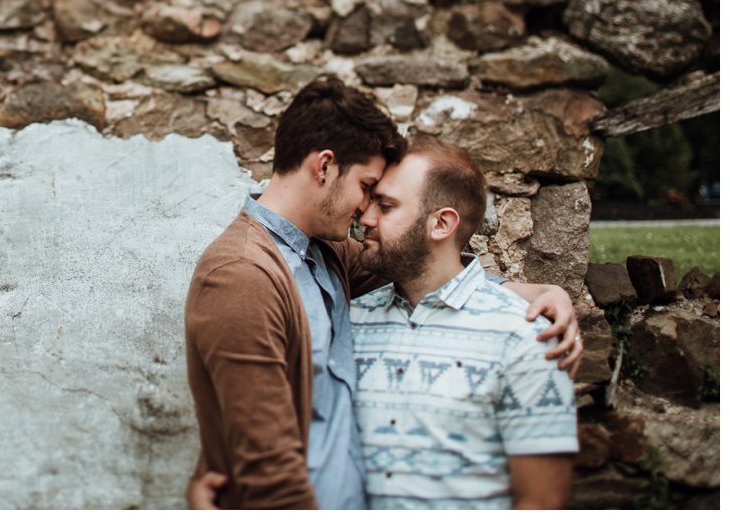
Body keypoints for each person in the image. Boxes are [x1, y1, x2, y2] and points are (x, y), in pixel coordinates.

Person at [184, 77, 581, 510]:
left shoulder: (327, 254)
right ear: (324, 167)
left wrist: (540, 292)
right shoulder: (242, 273)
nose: (366, 212)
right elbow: (266, 469)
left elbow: (425, 270)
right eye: (367, 187)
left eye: (382, 201)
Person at [351, 135, 577, 508]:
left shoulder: (526, 336)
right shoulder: (351, 320)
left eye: (385, 206)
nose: (365, 218)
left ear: (441, 223)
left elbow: (542, 502)